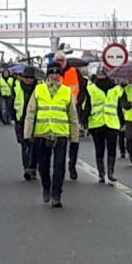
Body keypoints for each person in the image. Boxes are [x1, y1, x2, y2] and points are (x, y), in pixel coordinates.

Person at [24, 63, 80, 208]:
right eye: (52, 73)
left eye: (58, 73)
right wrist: (27, 133)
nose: (55, 75)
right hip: (42, 133)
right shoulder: (39, 89)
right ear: (48, 75)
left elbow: (72, 116)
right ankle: (46, 188)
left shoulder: (66, 91)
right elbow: (30, 113)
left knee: (59, 166)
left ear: (60, 75)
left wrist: (75, 136)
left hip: (60, 133)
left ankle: (57, 194)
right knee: (43, 166)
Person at [54, 51, 88, 180]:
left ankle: (72, 166)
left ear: (66, 61)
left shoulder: (74, 71)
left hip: (73, 110)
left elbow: (83, 89)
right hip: (58, 111)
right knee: (60, 141)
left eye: (62, 60)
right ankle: (60, 167)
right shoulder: (52, 72)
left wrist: (78, 102)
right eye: (57, 60)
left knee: (74, 140)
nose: (60, 63)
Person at [85, 71, 124, 184]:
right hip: (96, 123)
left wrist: (122, 122)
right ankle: (101, 173)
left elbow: (119, 107)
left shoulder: (116, 89)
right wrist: (84, 120)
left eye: (103, 74)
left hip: (112, 123)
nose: (101, 76)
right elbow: (87, 105)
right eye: (99, 74)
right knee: (99, 148)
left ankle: (110, 173)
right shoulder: (91, 88)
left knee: (112, 148)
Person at [13, 66, 38, 181]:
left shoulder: (39, 89)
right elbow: (12, 102)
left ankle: (32, 167)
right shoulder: (17, 87)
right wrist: (14, 116)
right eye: (25, 77)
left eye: (30, 78)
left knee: (34, 145)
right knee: (24, 145)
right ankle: (27, 168)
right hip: (21, 120)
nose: (27, 80)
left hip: (35, 121)